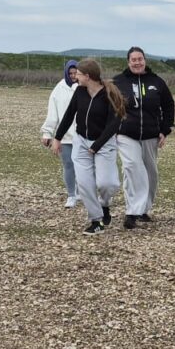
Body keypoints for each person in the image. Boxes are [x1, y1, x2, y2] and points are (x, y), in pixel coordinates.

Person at [50, 58, 126, 235]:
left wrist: (96, 146)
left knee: (107, 183)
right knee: (84, 183)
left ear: (88, 76)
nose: (74, 77)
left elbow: (114, 124)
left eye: (78, 74)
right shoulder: (79, 92)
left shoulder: (110, 94)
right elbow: (69, 115)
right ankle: (96, 220)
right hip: (81, 142)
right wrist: (57, 137)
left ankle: (105, 204)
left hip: (104, 143)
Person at [111, 47, 175, 230]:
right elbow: (109, 105)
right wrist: (111, 129)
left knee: (150, 172)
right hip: (126, 133)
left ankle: (143, 208)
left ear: (145, 61)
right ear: (128, 62)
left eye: (140, 59)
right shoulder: (118, 82)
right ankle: (131, 211)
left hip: (150, 134)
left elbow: (169, 106)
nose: (137, 62)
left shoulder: (157, 82)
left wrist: (164, 130)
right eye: (133, 59)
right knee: (131, 167)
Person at [40, 59, 80, 208]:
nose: (73, 76)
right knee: (68, 164)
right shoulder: (58, 90)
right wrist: (47, 133)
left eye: (76, 73)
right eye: (71, 73)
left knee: (83, 166)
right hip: (65, 136)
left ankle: (82, 190)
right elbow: (53, 114)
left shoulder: (84, 87)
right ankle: (71, 195)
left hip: (82, 135)